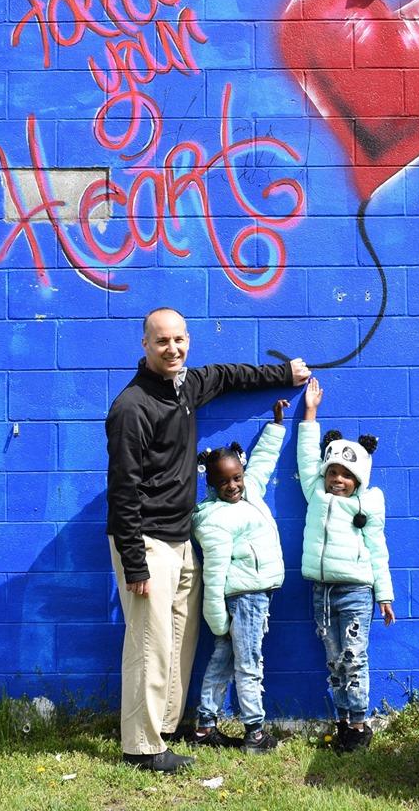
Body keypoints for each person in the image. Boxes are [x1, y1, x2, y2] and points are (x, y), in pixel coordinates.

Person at [106, 307, 310, 773]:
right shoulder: (132, 406)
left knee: (181, 637)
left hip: (180, 539)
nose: (172, 348)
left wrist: (284, 373)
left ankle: (167, 727)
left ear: (188, 340)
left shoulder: (185, 387)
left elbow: (226, 376)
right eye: (162, 342)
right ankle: (140, 746)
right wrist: (135, 562)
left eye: (179, 339)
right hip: (146, 541)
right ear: (145, 346)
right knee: (150, 643)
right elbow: (123, 488)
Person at [297, 377, 394, 753]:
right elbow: (307, 458)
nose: (338, 480)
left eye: (347, 475)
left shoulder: (367, 505)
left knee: (354, 658)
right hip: (321, 591)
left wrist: (383, 594)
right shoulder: (316, 494)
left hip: (355, 591)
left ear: (358, 480)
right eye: (333, 472)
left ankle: (359, 724)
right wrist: (310, 413)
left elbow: (378, 549)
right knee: (334, 660)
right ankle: (342, 721)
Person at [191, 398, 289, 753]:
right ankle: (255, 733)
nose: (233, 485)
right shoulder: (216, 519)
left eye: (237, 477)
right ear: (212, 484)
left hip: (255, 596)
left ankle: (204, 727)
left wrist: (276, 426)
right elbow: (213, 575)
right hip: (244, 599)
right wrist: (217, 619)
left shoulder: (252, 492)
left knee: (223, 660)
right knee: (249, 664)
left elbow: (262, 463)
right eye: (224, 481)